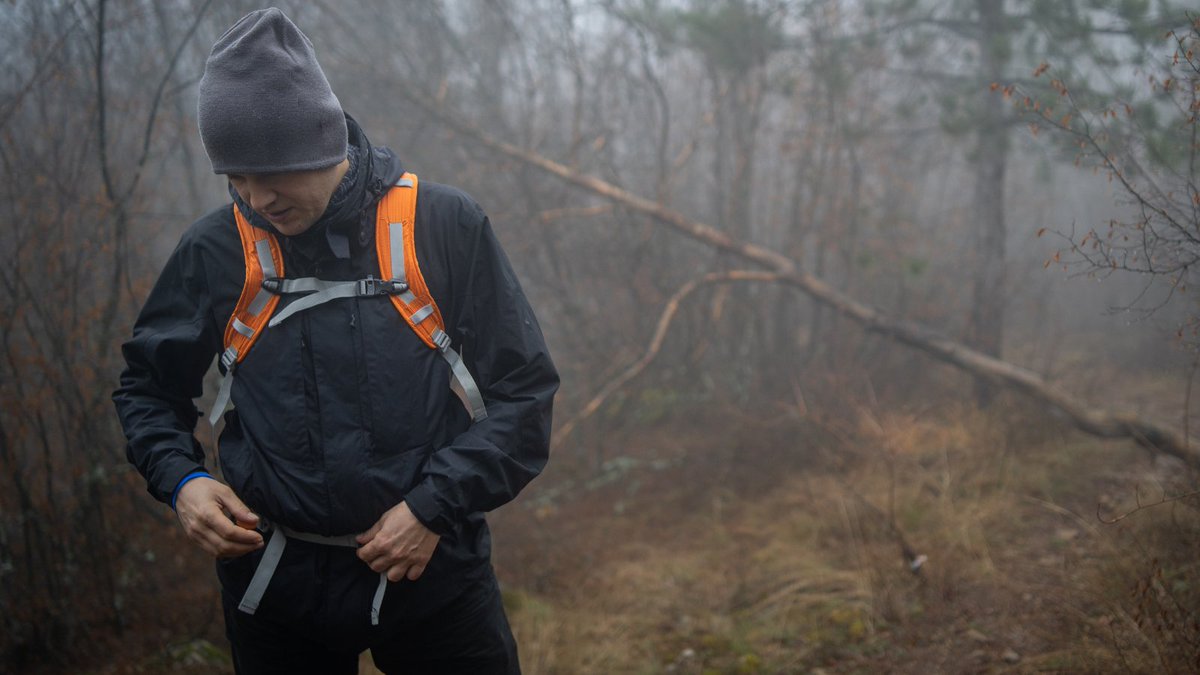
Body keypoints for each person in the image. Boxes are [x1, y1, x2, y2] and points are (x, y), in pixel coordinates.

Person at [112, 8, 557, 674]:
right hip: (275, 587)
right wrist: (184, 482)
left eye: (273, 173)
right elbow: (147, 387)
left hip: (435, 576)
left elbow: (526, 398)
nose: (257, 199)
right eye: (236, 179)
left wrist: (434, 506)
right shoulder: (217, 250)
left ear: (324, 143)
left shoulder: (440, 226)